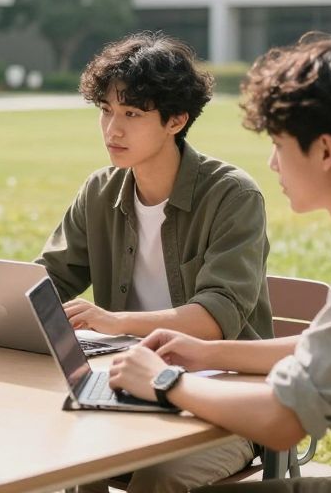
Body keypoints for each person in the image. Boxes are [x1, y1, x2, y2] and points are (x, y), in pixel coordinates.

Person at [108, 33, 331, 493]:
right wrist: (207, 352)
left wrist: (163, 380)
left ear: (325, 150)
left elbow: (281, 421)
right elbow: (327, 345)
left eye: (279, 144)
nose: (272, 162)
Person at [37, 31, 273, 492]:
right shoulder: (100, 191)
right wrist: (4, 304)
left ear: (176, 120)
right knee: (62, 453)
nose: (112, 130)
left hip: (226, 400)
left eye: (132, 114)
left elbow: (216, 317)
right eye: (106, 110)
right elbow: (50, 277)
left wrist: (114, 321)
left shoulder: (232, 196)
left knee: (158, 476)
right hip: (127, 386)